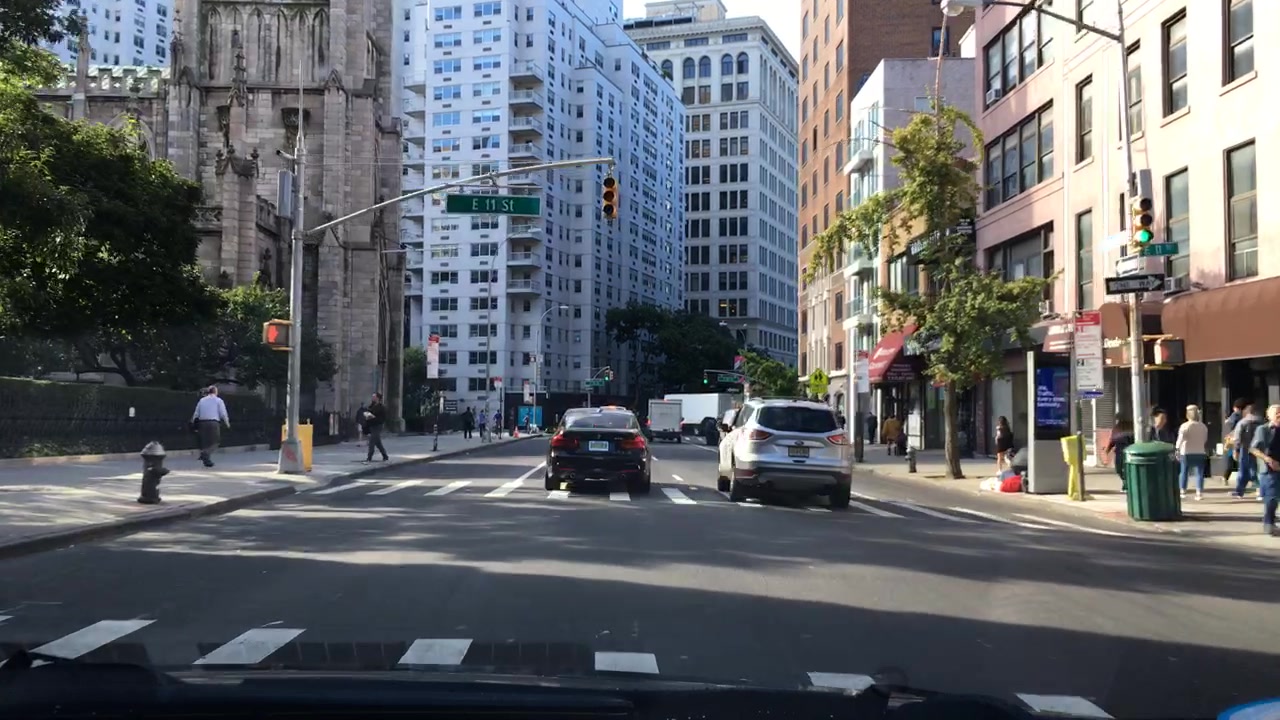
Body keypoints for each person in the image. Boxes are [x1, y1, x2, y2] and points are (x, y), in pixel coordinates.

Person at [1246, 404, 1280, 537]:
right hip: (1269, 469)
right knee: (1272, 497)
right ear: (1269, 416)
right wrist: (1268, 459)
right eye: (1277, 413)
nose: (1279, 415)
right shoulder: (1263, 429)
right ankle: (1268, 524)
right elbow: (1253, 448)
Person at [1175, 404, 1209, 500]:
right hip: (1200, 451)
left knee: (1184, 472)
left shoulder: (1185, 426)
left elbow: (1180, 439)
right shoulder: (1203, 426)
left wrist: (1177, 449)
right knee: (1199, 473)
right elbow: (1205, 439)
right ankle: (1199, 492)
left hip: (1186, 452)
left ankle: (1183, 491)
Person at [191, 386, 230, 467]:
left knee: (205, 442)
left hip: (202, 422)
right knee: (215, 442)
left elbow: (196, 413)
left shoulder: (202, 400)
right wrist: (227, 423)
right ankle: (205, 453)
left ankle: (207, 460)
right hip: (213, 423)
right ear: (215, 392)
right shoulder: (218, 400)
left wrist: (193, 421)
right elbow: (223, 413)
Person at [1104, 418, 1136, 492]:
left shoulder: (1131, 428)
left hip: (1128, 452)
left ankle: (1126, 485)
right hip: (1119, 452)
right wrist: (1107, 450)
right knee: (1119, 469)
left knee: (1127, 469)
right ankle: (1125, 482)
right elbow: (1112, 440)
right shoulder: (1116, 429)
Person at [362, 392, 389, 463]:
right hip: (371, 425)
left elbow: (383, 418)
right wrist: (367, 415)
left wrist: (374, 417)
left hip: (377, 425)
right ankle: (385, 456)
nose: (373, 398)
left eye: (374, 397)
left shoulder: (381, 407)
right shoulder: (371, 406)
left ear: (378, 398)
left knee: (372, 441)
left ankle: (369, 457)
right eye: (372, 396)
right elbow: (368, 412)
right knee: (377, 442)